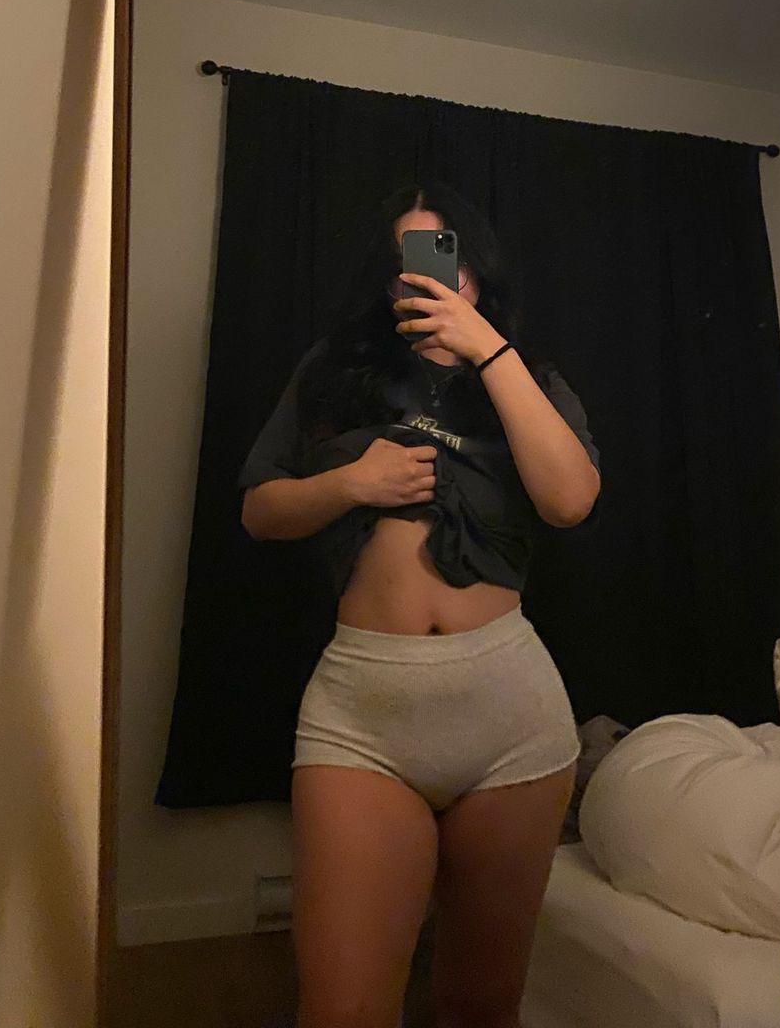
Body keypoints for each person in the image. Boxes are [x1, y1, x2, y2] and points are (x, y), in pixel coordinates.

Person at [239, 179, 601, 1028]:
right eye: (411, 260)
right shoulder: (334, 375)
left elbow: (570, 499)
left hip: (511, 718)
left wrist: (488, 350)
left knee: (480, 1004)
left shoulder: (530, 377)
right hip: (363, 713)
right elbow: (259, 510)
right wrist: (351, 483)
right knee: (342, 1009)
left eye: (449, 259)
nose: (431, 279)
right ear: (386, 278)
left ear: (478, 274)